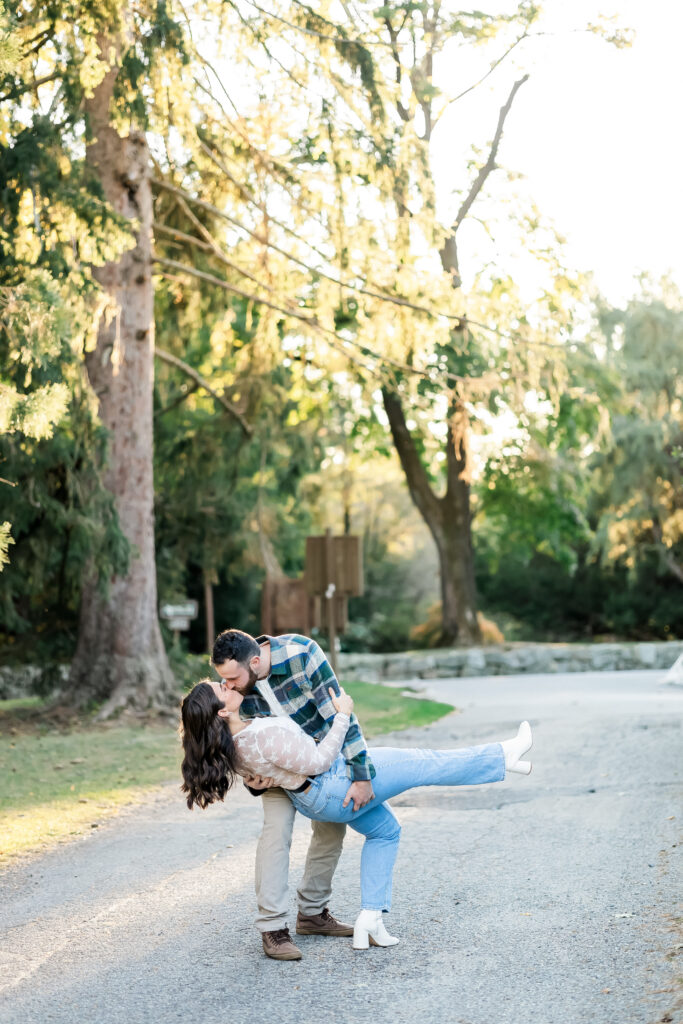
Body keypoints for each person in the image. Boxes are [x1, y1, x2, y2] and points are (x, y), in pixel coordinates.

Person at [180, 674, 533, 952]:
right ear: (222, 711)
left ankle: (371, 918)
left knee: (386, 831)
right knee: (426, 762)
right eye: (221, 688)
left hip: (317, 797)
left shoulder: (236, 745)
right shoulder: (258, 738)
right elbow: (319, 760)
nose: (226, 684)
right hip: (334, 783)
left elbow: (269, 773)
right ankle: (503, 756)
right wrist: (343, 715)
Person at [208, 628, 376, 961]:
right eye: (222, 680)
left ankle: (312, 914)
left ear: (255, 661)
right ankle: (272, 927)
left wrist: (361, 774)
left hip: (319, 761)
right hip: (275, 774)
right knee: (276, 832)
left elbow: (340, 710)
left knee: (332, 826)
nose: (228, 685)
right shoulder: (238, 691)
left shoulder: (302, 653)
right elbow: (238, 741)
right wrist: (251, 781)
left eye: (232, 677)